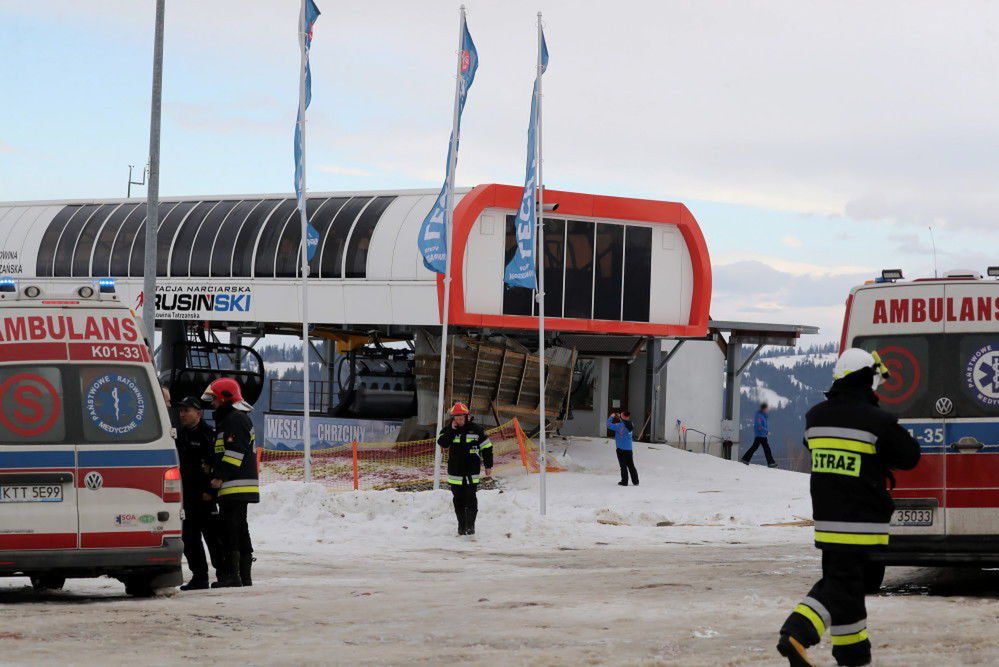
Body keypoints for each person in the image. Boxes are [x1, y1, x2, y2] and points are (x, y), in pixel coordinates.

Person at [777, 349, 920, 667]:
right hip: (862, 522)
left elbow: (817, 447)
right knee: (841, 587)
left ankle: (852, 655)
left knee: (850, 587)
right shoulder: (876, 421)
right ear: (867, 379)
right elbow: (910, 456)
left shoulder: (815, 417)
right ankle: (797, 632)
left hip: (828, 521)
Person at [202, 378, 259, 588]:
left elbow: (235, 453)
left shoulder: (235, 419)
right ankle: (243, 576)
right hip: (235, 484)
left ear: (225, 398)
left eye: (215, 400)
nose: (213, 404)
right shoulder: (232, 418)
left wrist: (219, 475)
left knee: (232, 529)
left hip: (236, 484)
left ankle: (233, 576)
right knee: (239, 528)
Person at [175, 396, 224, 591]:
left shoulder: (208, 435)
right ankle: (200, 576)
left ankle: (224, 573)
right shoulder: (179, 435)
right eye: (181, 411)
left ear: (198, 413)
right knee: (189, 537)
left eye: (187, 410)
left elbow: (216, 464)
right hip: (186, 495)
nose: (183, 414)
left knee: (213, 537)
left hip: (205, 495)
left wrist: (210, 492)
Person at [437, 402, 493, 536]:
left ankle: (470, 526)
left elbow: (487, 447)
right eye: (456, 418)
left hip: (471, 472)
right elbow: (442, 442)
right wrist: (453, 429)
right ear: (453, 418)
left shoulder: (476, 429)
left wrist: (488, 465)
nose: (459, 420)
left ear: (467, 416)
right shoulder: (448, 430)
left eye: (461, 417)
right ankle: (461, 526)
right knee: (458, 499)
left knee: (471, 498)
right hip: (455, 473)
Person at [607, 410, 638, 486]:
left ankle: (624, 481)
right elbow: (625, 421)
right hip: (629, 449)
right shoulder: (631, 424)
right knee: (631, 466)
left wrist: (612, 416)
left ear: (622, 417)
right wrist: (620, 418)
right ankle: (635, 481)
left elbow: (608, 424)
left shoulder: (619, 426)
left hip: (621, 449)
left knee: (623, 466)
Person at [741, 403, 777, 468]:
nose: (767, 410)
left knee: (756, 447)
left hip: (762, 435)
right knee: (766, 449)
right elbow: (759, 426)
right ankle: (771, 463)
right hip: (760, 435)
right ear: (763, 409)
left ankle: (745, 459)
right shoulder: (759, 416)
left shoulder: (763, 416)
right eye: (766, 408)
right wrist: (767, 431)